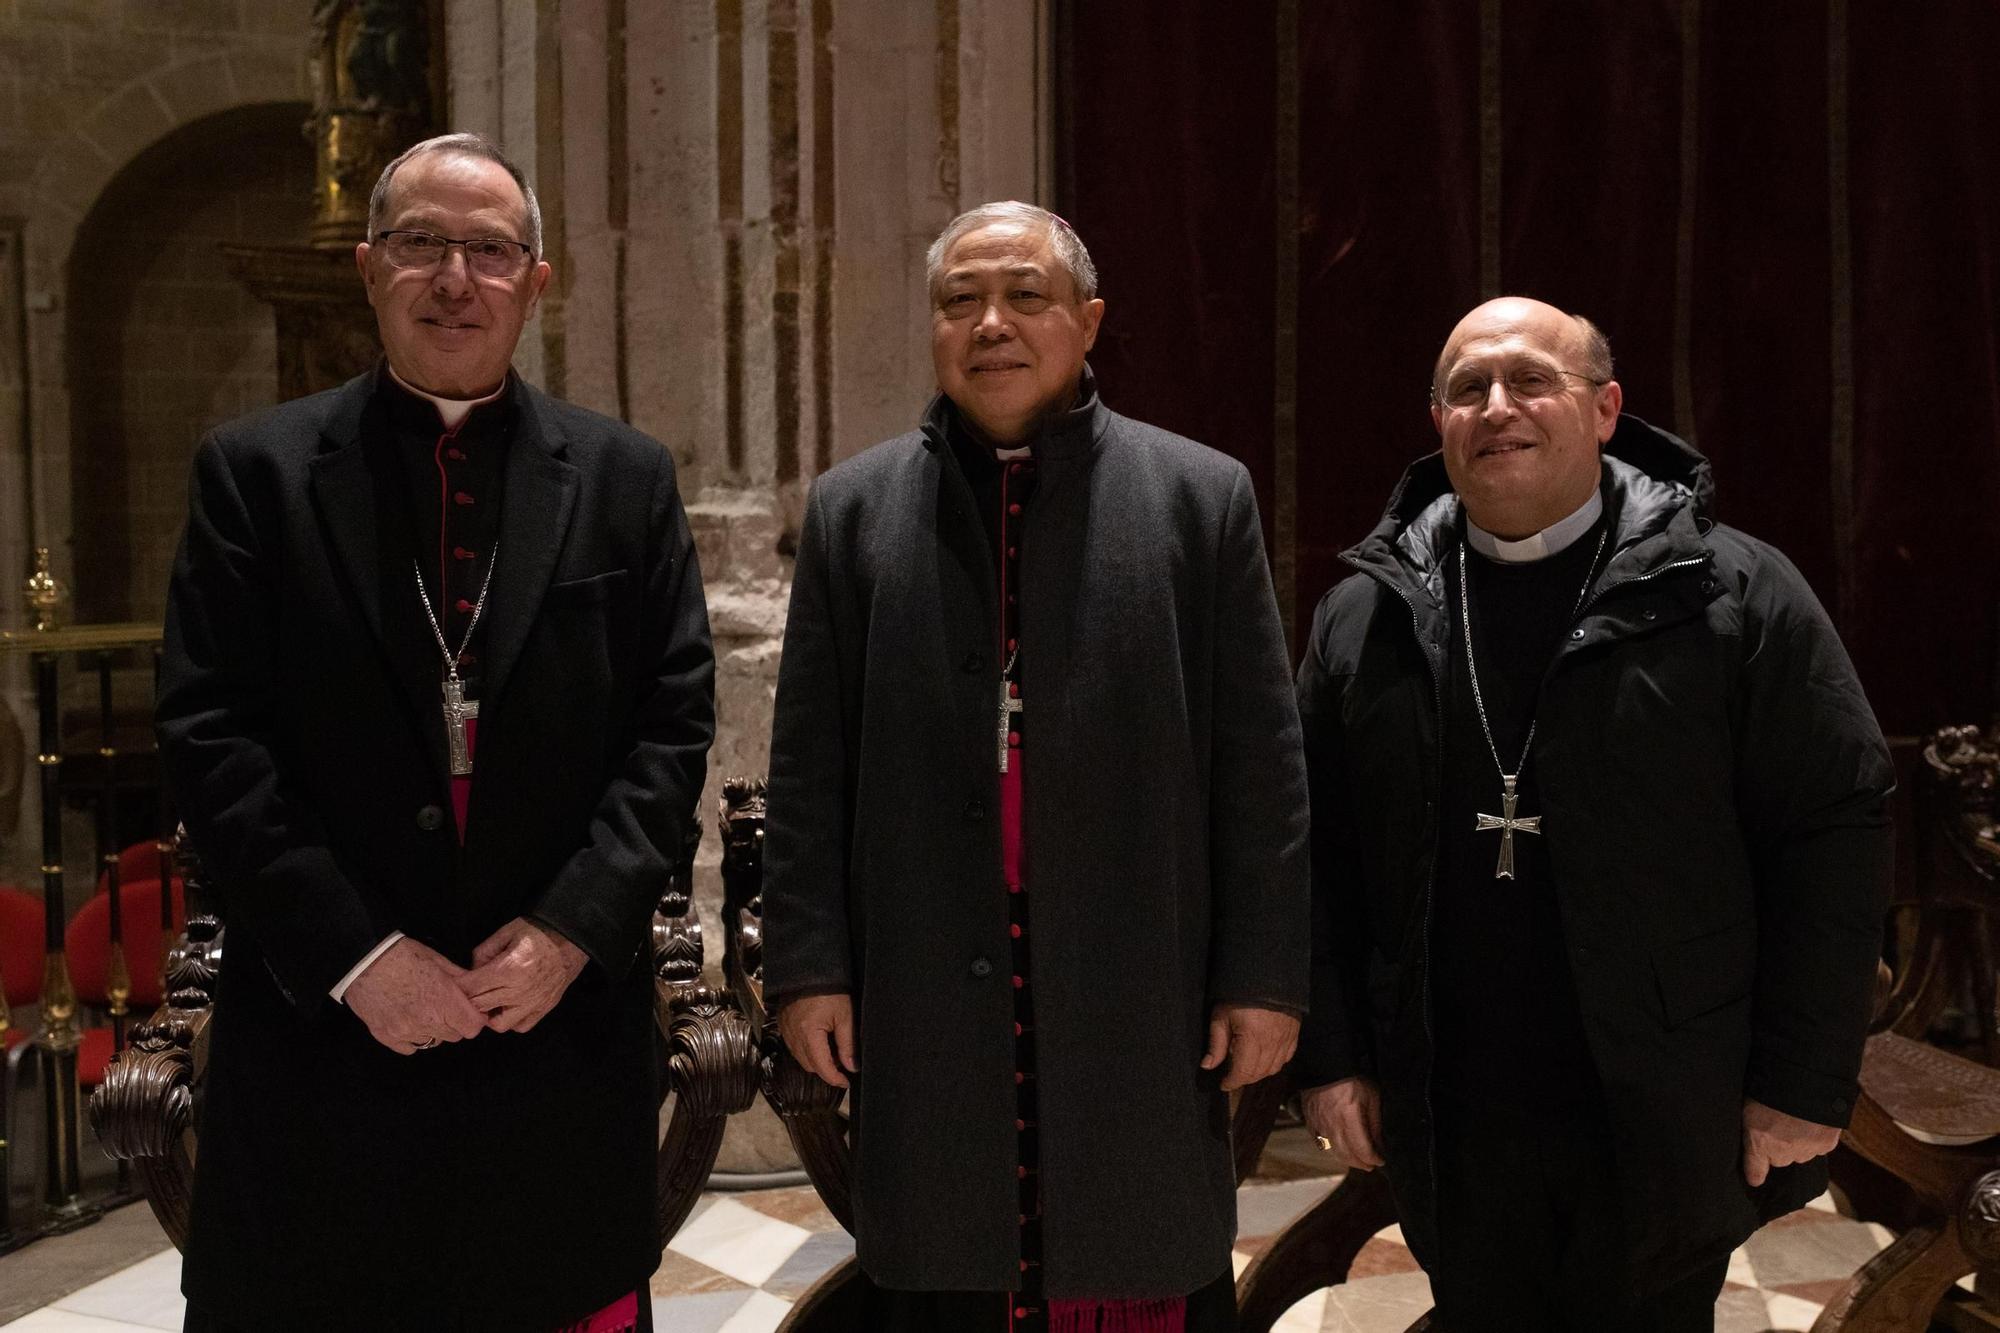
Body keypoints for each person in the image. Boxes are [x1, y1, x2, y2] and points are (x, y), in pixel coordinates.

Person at [157, 133, 714, 1332]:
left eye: (490, 250)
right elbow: (211, 736)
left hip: (548, 1037)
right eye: (420, 244)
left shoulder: (623, 479)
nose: (455, 277)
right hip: (327, 1042)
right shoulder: (256, 474)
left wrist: (572, 931)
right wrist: (357, 957)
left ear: (535, 281)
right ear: (368, 269)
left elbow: (671, 730)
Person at [1293, 296, 1894, 1328]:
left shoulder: (1732, 592)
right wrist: (1331, 1055)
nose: (1495, 406)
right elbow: (1310, 854)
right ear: (1435, 420)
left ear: (1605, 408)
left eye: (1530, 380)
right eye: (1465, 388)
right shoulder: (1368, 614)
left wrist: (1801, 1075)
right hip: (1453, 1094)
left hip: (1662, 1092)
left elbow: (1833, 828)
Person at [762, 201, 1309, 1331]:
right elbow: (808, 766)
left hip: (1135, 960)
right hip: (926, 963)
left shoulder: (1197, 497)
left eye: (1025, 296)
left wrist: (1262, 974)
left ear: (1088, 321)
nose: (990, 324)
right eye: (959, 300)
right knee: (940, 1264)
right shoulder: (854, 510)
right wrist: (807, 962)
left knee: (1134, 1244)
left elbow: (1261, 762)